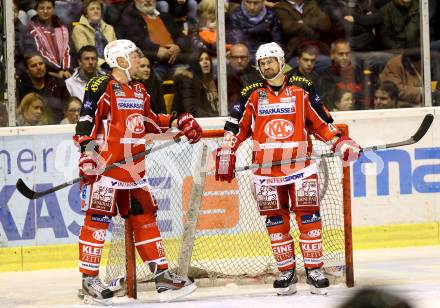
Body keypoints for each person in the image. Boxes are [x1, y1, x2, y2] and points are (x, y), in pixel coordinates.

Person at [214, 42, 361, 296]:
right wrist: (228, 148)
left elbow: (321, 122)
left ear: (281, 62)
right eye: (262, 63)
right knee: (275, 222)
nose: (266, 66)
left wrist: (339, 141)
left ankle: (314, 270)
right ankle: (287, 272)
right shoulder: (251, 93)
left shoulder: (302, 89)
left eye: (270, 61)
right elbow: (237, 126)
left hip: (300, 168)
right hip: (265, 172)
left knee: (309, 218)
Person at [74, 39, 201, 305]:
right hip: (105, 170)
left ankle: (163, 277)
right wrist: (88, 155)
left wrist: (179, 121)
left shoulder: (140, 90)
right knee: (97, 220)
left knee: (145, 218)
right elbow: (86, 122)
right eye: (133, 55)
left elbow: (152, 123)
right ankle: (89, 281)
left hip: (134, 173)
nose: (138, 59)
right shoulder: (101, 86)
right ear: (119, 60)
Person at [116, 0, 192, 80]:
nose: (148, 1)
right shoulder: (128, 19)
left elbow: (182, 38)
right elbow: (130, 48)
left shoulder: (165, 17)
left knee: (188, 79)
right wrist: (155, 52)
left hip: (176, 61)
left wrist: (177, 47)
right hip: (152, 64)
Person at [24, 0, 71, 79]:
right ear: (36, 10)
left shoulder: (62, 27)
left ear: (53, 9)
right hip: (45, 73)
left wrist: (66, 69)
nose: (45, 11)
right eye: (42, 8)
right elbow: (39, 54)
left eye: (48, 8)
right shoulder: (31, 29)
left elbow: (67, 50)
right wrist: (58, 70)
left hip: (65, 72)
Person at [17, 53, 71, 123]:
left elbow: (68, 106)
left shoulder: (58, 84)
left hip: (57, 126)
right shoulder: (22, 88)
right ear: (27, 70)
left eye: (41, 64)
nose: (39, 67)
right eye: (34, 66)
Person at [71, 0, 117, 68]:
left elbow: (116, 50)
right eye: (92, 9)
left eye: (98, 8)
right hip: (90, 67)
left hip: (112, 65)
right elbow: (85, 54)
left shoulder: (109, 28)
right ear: (86, 13)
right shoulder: (79, 29)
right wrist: (104, 64)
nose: (96, 11)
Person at [173, 50, 219, 117]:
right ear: (195, 64)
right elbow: (191, 110)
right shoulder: (188, 82)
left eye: (207, 59)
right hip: (195, 122)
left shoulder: (214, 82)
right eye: (201, 60)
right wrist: (214, 116)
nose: (205, 62)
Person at [227, 43, 260, 111]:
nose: (239, 61)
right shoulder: (223, 76)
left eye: (242, 57)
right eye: (235, 57)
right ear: (230, 58)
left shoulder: (259, 76)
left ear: (248, 58)